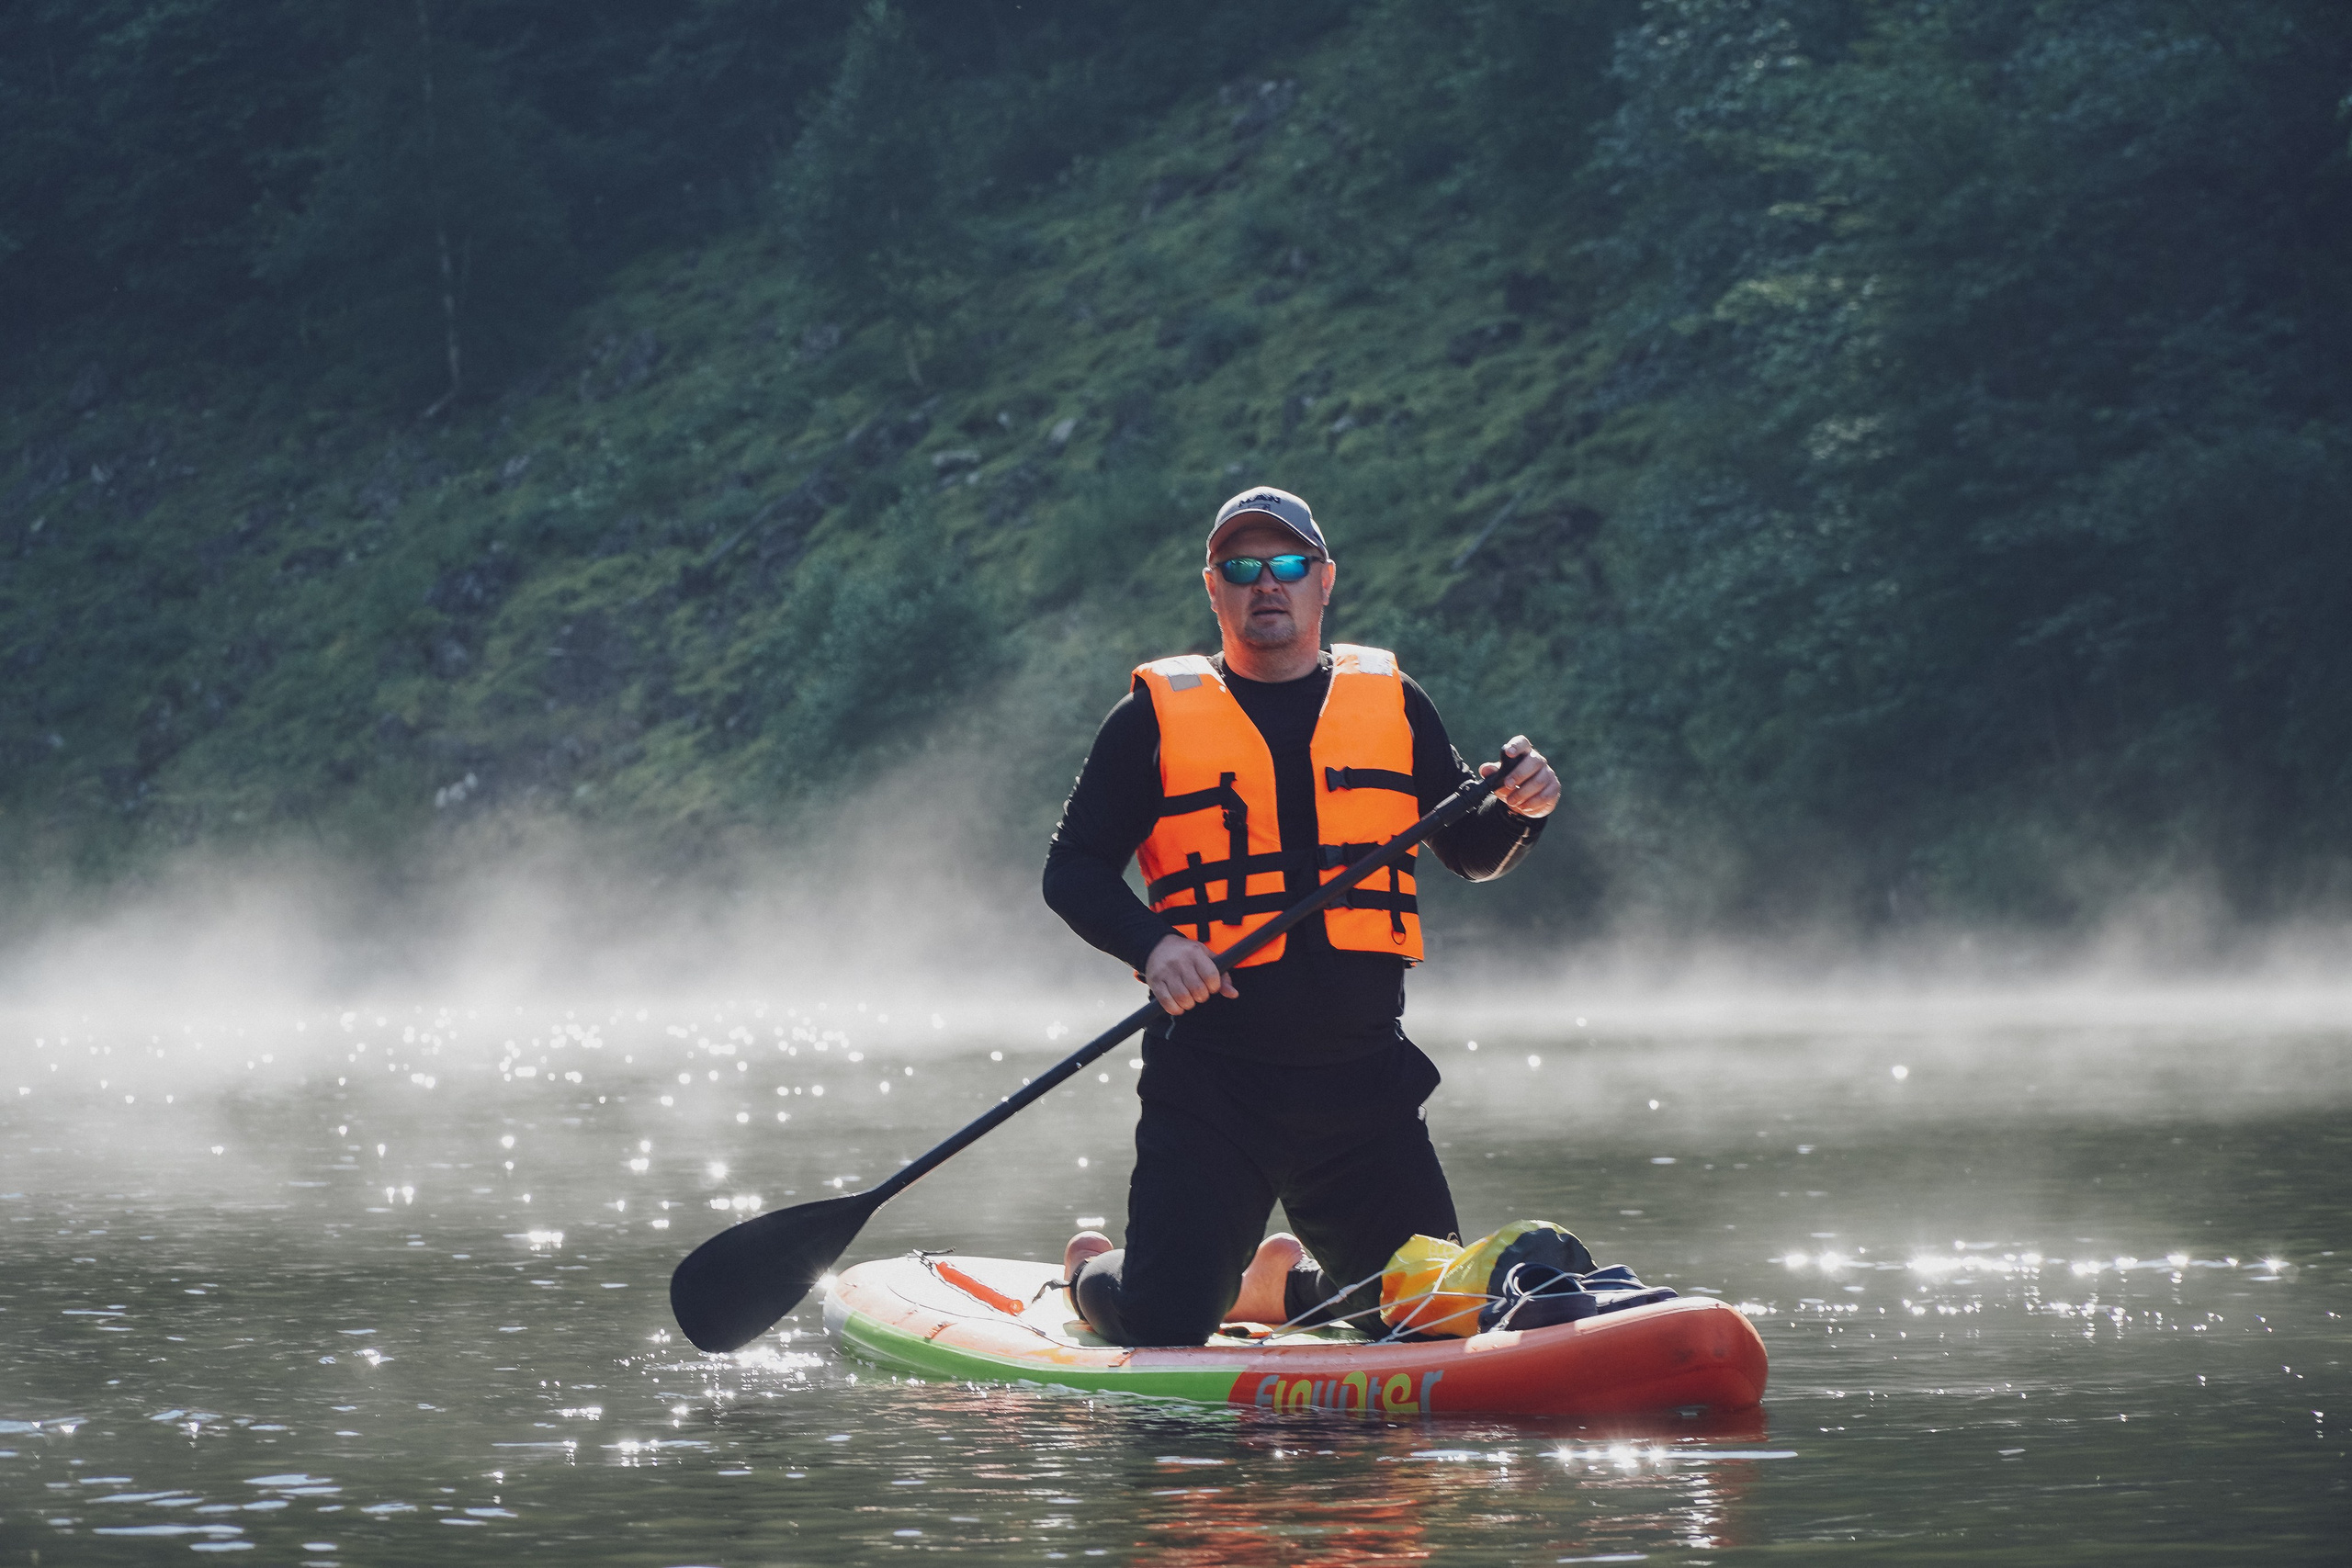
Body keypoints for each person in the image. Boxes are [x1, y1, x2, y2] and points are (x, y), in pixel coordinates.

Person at [1041, 484, 1560, 1346]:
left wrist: (1522, 813)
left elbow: (1471, 848)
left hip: (1363, 1085)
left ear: (1325, 581)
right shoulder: (1149, 721)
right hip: (1213, 1085)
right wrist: (1154, 942)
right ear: (1214, 590)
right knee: (1164, 1323)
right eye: (1240, 567)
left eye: (1287, 564)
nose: (1265, 583)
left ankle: (1285, 1290)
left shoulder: (1393, 701)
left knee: (1432, 1320)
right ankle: (1092, 1271)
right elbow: (1072, 869)